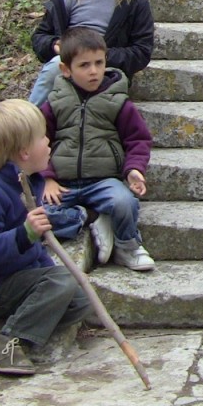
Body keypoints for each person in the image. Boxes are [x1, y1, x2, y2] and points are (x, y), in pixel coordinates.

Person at [0, 99, 91, 376]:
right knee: (62, 282)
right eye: (42, 137)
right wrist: (24, 233)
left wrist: (53, 276)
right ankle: (5, 343)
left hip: (18, 276)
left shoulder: (29, 183)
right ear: (24, 152)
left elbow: (35, 250)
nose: (49, 141)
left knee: (79, 298)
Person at [39, 26, 155, 272]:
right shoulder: (54, 102)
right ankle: (89, 217)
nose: (94, 71)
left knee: (125, 202)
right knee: (37, 214)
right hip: (63, 184)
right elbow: (39, 140)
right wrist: (47, 177)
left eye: (99, 63)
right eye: (84, 65)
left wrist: (134, 169)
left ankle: (127, 245)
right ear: (65, 70)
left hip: (103, 181)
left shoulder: (118, 101)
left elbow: (138, 140)